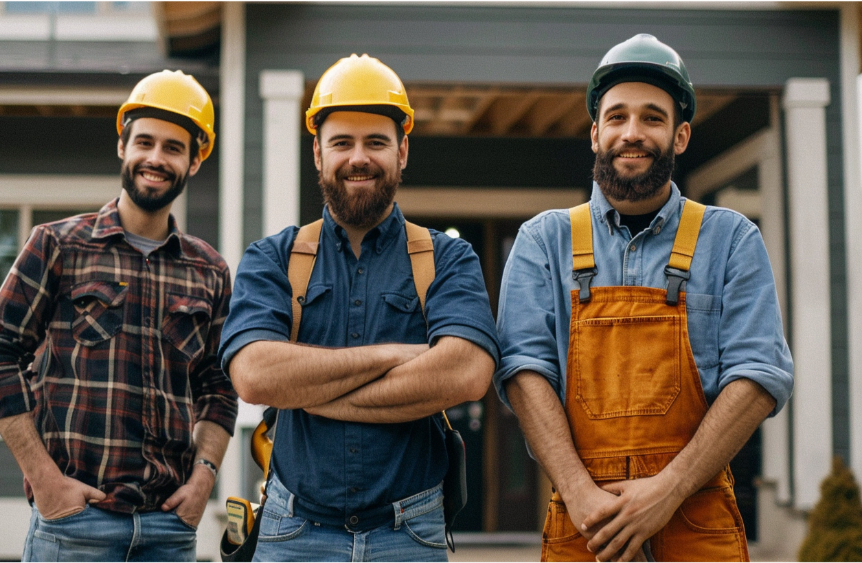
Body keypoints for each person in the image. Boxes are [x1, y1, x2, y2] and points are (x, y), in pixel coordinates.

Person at [494, 34, 794, 563]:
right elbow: (523, 371)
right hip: (585, 526)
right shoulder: (544, 241)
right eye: (617, 117)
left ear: (680, 136)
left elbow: (759, 374)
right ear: (594, 133)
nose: (632, 133)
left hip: (696, 519)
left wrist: (669, 490)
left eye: (652, 118)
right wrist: (583, 497)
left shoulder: (731, 240)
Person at [220, 54, 499, 562]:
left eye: (376, 142)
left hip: (409, 536)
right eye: (342, 142)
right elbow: (256, 376)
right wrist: (400, 355)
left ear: (403, 150)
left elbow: (467, 373)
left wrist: (306, 390)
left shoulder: (447, 258)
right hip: (292, 534)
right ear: (318, 154)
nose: (359, 157)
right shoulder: (272, 259)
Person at [0, 70, 237, 563]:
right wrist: (45, 479)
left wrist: (204, 479)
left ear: (195, 160)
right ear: (123, 147)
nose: (156, 158)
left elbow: (218, 386)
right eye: (145, 142)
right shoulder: (57, 246)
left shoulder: (210, 270)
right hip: (74, 524)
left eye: (174, 148)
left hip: (168, 528)